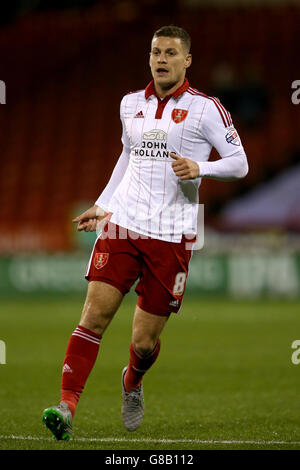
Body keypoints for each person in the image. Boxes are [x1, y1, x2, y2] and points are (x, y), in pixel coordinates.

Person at [42, 25, 248, 441]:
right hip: (123, 227)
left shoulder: (206, 109)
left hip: (171, 237)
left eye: (171, 52)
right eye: (156, 51)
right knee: (93, 317)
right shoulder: (130, 104)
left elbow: (239, 163)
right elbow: (126, 157)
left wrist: (201, 167)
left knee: (143, 343)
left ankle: (132, 381)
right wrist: (105, 204)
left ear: (187, 60)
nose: (161, 59)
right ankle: (66, 407)